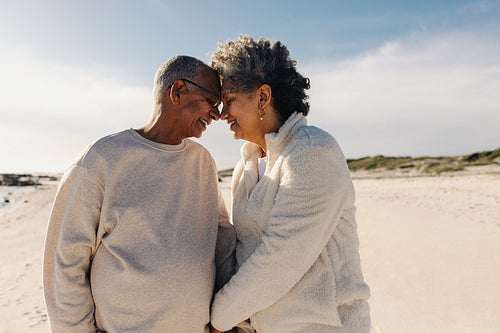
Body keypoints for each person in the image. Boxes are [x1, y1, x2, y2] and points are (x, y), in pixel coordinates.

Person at [43, 56, 236, 333]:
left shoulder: (203, 163)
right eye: (211, 101)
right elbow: (65, 262)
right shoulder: (102, 159)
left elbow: (223, 242)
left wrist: (227, 320)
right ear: (177, 91)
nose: (216, 114)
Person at [209, 36, 371, 333]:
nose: (222, 114)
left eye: (229, 99)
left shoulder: (312, 151)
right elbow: (245, 252)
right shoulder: (248, 161)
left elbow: (281, 258)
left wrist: (218, 319)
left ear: (263, 96)